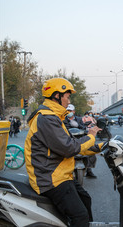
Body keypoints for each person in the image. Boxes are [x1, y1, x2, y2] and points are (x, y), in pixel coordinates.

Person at [24, 78, 104, 226]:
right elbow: (69, 148)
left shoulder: (55, 117)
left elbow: (73, 144)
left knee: (85, 199)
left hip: (60, 174)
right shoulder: (47, 119)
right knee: (80, 216)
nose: (68, 101)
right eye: (67, 97)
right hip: (50, 178)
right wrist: (91, 136)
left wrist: (101, 147)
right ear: (57, 96)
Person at [64, 105, 98, 178]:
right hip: (70, 140)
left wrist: (79, 126)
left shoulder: (79, 119)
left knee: (90, 149)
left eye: (70, 111)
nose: (69, 112)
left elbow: (83, 127)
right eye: (68, 111)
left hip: (81, 138)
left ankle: (89, 171)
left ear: (74, 111)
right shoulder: (63, 119)